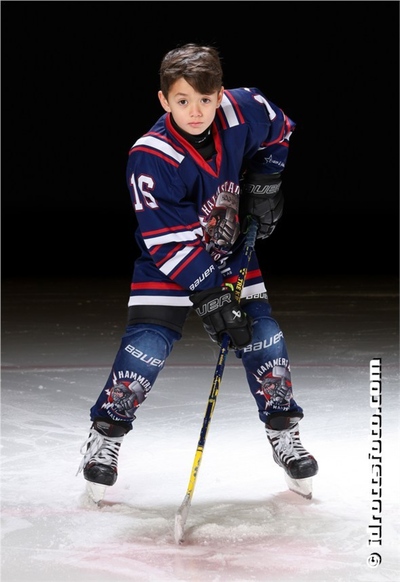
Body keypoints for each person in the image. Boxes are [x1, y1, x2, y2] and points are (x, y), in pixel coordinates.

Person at [77, 43, 318, 502]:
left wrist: (266, 180)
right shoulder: (151, 155)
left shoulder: (244, 109)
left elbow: (280, 129)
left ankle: (284, 431)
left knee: (264, 336)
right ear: (164, 99)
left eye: (205, 100)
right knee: (147, 346)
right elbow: (166, 239)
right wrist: (211, 296)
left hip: (229, 252)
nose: (196, 111)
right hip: (169, 261)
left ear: (220, 94)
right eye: (183, 100)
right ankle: (105, 435)